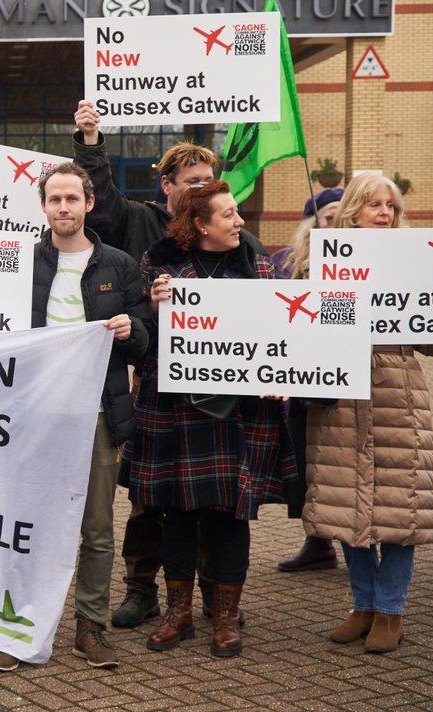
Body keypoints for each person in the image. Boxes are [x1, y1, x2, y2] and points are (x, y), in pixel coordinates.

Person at [73, 99, 266, 628]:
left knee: (218, 506)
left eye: (210, 178)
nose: (203, 185)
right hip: (165, 391)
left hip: (227, 400)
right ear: (169, 186)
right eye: (191, 179)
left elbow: (273, 322)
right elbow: (103, 203)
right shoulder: (143, 228)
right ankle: (144, 592)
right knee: (152, 503)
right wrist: (90, 142)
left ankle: (216, 602)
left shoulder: (245, 245)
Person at [0, 163, 150, 673]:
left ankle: (88, 628)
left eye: (72, 199)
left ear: (89, 204)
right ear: (42, 206)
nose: (63, 208)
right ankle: (17, 627)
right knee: (22, 526)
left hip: (98, 417)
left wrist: (130, 331)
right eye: (54, 199)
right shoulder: (15, 261)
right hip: (33, 417)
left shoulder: (120, 265)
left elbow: (147, 342)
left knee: (97, 530)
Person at [127, 180, 299, 658]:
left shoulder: (257, 259)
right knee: (177, 511)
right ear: (200, 224)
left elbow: (280, 327)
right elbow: (140, 335)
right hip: (174, 405)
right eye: (228, 215)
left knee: (229, 513)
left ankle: (226, 617)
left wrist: (281, 371)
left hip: (240, 409)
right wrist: (156, 308)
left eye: (238, 212)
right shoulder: (158, 264)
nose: (240, 222)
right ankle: (177, 612)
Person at [302, 174, 433, 654]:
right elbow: (305, 326)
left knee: (400, 508)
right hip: (338, 398)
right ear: (353, 211)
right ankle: (362, 604)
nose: (384, 213)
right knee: (347, 502)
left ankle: (391, 611)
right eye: (374, 205)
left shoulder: (417, 262)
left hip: (396, 396)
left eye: (391, 206)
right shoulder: (323, 261)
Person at [267, 187, 346, 574]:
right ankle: (317, 542)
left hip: (343, 382)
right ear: (313, 222)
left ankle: (356, 543)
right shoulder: (285, 262)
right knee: (304, 463)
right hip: (298, 385)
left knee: (342, 467)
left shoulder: (362, 263)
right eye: (329, 215)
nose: (336, 222)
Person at [271, 187, 343, 281]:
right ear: (312, 224)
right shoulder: (282, 260)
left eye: (343, 220)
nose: (337, 225)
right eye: (330, 218)